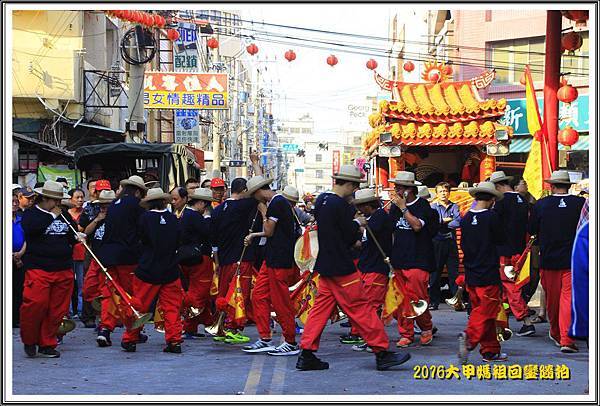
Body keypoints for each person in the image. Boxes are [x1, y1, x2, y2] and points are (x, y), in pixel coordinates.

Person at [296, 165, 411, 371]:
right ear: (348, 184)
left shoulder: (322, 200)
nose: (355, 190)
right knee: (361, 308)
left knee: (320, 310)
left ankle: (306, 352)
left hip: (326, 263)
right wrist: (357, 223)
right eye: (355, 186)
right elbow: (349, 235)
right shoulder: (338, 205)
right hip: (342, 265)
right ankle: (381, 352)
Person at [20, 180, 84, 358]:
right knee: (35, 305)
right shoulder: (32, 214)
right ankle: (30, 339)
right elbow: (32, 230)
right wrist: (52, 216)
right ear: (45, 199)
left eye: (58, 201)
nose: (57, 204)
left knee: (57, 310)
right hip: (39, 268)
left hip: (63, 267)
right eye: (54, 200)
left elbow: (70, 236)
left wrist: (77, 237)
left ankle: (47, 343)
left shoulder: (63, 215)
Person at [119, 188, 182, 353]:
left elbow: (137, 241)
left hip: (148, 269)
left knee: (139, 306)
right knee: (172, 308)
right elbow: (178, 242)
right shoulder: (173, 219)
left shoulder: (144, 218)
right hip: (170, 269)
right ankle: (174, 340)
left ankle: (130, 338)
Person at [242, 183, 302, 356]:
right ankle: (265, 338)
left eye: (255, 194)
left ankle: (290, 341)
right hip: (272, 259)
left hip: (279, 260)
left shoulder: (276, 203)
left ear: (260, 192)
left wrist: (255, 230)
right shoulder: (277, 202)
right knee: (259, 295)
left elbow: (268, 231)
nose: (255, 199)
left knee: (280, 301)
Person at [529, 170, 585, 353]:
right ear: (568, 185)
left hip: (548, 258)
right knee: (568, 299)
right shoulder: (581, 203)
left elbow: (532, 230)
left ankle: (556, 332)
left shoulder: (541, 204)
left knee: (552, 300)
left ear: (551, 186)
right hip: (573, 259)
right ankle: (566, 339)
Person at [458, 181, 507, 364]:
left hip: (471, 272)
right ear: (492, 199)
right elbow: (501, 239)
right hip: (488, 272)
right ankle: (469, 337)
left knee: (483, 310)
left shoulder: (466, 218)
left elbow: (463, 245)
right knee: (487, 310)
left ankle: (490, 350)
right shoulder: (492, 217)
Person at [388, 171, 439, 348]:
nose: (396, 190)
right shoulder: (393, 208)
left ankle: (426, 327)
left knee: (417, 297)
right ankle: (406, 333)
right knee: (401, 299)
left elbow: (417, 226)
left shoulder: (424, 206)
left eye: (399, 187)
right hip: (399, 260)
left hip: (418, 259)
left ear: (409, 190)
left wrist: (403, 208)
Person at [95, 175, 147, 347]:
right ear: (138, 191)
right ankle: (132, 331)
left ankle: (105, 329)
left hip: (108, 256)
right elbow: (142, 232)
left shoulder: (113, 206)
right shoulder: (136, 206)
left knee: (110, 294)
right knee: (131, 295)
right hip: (128, 257)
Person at [209, 178, 260, 344]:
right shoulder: (243, 205)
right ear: (244, 190)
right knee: (239, 294)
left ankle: (221, 327)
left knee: (224, 294)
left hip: (224, 260)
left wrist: (217, 261)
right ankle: (233, 328)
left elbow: (214, 240)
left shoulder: (217, 211)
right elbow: (260, 192)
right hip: (241, 259)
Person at [344, 188, 393, 352]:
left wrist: (358, 225)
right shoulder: (371, 217)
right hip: (367, 266)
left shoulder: (379, 217)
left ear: (368, 205)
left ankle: (376, 340)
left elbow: (371, 235)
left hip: (376, 267)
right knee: (367, 305)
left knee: (372, 306)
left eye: (361, 205)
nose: (359, 209)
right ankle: (370, 338)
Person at [489, 171, 535, 337]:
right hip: (519, 249)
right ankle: (503, 321)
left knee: (510, 286)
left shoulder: (501, 201)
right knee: (512, 286)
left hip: (504, 251)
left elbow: (493, 225)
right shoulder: (523, 200)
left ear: (498, 186)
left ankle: (525, 320)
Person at [178, 188, 217, 339]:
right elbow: (208, 233)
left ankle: (206, 322)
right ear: (200, 203)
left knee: (202, 293)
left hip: (187, 259)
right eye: (206, 205)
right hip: (199, 260)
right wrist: (207, 218)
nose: (206, 209)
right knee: (198, 293)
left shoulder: (184, 215)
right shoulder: (195, 217)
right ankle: (189, 327)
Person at [79, 190, 116, 329]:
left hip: (110, 258)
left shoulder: (117, 217)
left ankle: (105, 321)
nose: (104, 207)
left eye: (107, 205)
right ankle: (90, 315)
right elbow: (85, 232)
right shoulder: (95, 214)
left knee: (107, 290)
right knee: (88, 288)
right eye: (102, 205)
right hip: (94, 255)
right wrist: (97, 219)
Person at [429, 182, 461, 311]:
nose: (443, 193)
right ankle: (433, 302)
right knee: (435, 274)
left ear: (449, 193)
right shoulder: (432, 207)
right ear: (437, 193)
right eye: (441, 191)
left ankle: (457, 301)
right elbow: (433, 223)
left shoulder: (454, 206)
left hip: (451, 242)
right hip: (436, 243)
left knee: (454, 274)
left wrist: (442, 223)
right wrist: (445, 220)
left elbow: (458, 222)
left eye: (445, 191)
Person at [67, 188, 86, 319]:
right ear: (70, 199)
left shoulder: (85, 214)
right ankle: (66, 311)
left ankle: (80, 310)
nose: (80, 200)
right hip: (68, 253)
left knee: (81, 284)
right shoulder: (65, 214)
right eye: (77, 197)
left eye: (82, 197)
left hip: (81, 253)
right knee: (67, 284)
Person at [12, 189, 27, 328]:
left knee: (19, 289)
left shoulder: (21, 219)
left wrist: (19, 254)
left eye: (16, 201)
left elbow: (26, 239)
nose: (15, 204)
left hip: (20, 257)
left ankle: (17, 318)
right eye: (12, 202)